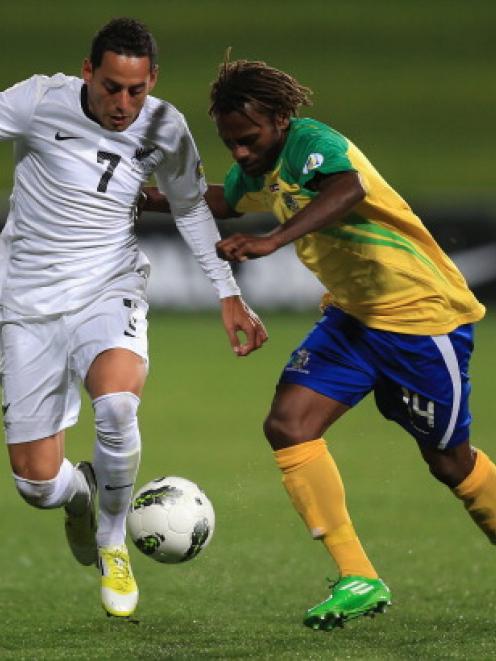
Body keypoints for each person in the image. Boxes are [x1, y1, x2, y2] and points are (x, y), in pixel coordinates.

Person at [144, 56, 494, 631]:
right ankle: (358, 576)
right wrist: (136, 196)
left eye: (248, 139)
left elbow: (347, 189)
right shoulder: (258, 166)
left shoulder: (311, 142)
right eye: (230, 143)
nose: (240, 154)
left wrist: (273, 239)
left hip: (420, 319)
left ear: (280, 118)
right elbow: (216, 201)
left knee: (448, 462)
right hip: (354, 319)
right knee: (288, 425)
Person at [0, 22, 267, 620]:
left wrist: (227, 293)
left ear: (153, 81)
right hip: (25, 306)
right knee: (37, 484)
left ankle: (112, 540)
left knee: (118, 404)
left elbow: (192, 204)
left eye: (136, 91)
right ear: (88, 72)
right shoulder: (39, 101)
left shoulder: (165, 126)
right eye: (112, 88)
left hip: (109, 287)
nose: (123, 105)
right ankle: (81, 499)